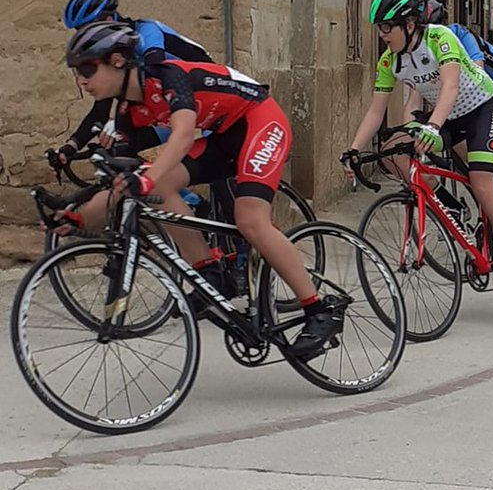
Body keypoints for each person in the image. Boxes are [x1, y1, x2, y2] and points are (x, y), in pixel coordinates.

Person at [60, 21, 340, 358]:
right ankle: (209, 272)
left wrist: (145, 179)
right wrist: (76, 217)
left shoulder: (166, 76)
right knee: (153, 185)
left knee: (250, 219)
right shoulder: (126, 110)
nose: (81, 80)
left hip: (259, 120)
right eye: (77, 72)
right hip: (223, 136)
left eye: (88, 68)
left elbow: (181, 135)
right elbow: (119, 183)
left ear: (118, 60)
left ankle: (319, 309)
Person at [341, 0, 493, 303]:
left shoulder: (440, 38)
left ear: (410, 24)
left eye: (387, 27)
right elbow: (376, 110)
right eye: (379, 28)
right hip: (448, 119)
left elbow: (450, 86)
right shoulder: (390, 61)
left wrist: (432, 126)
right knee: (395, 151)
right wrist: (353, 150)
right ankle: (451, 205)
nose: (382, 34)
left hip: (481, 110)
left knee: (484, 185)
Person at [54, 0, 212, 163]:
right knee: (119, 154)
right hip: (177, 103)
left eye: (88, 30)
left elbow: (156, 75)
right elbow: (101, 108)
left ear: (108, 20)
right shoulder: (115, 53)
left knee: (217, 171)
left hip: (211, 96)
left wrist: (119, 124)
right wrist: (71, 146)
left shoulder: (147, 32)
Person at [422, 0, 493, 226]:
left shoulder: (461, 35)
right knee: (467, 151)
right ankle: (490, 197)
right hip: (466, 93)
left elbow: (479, 72)